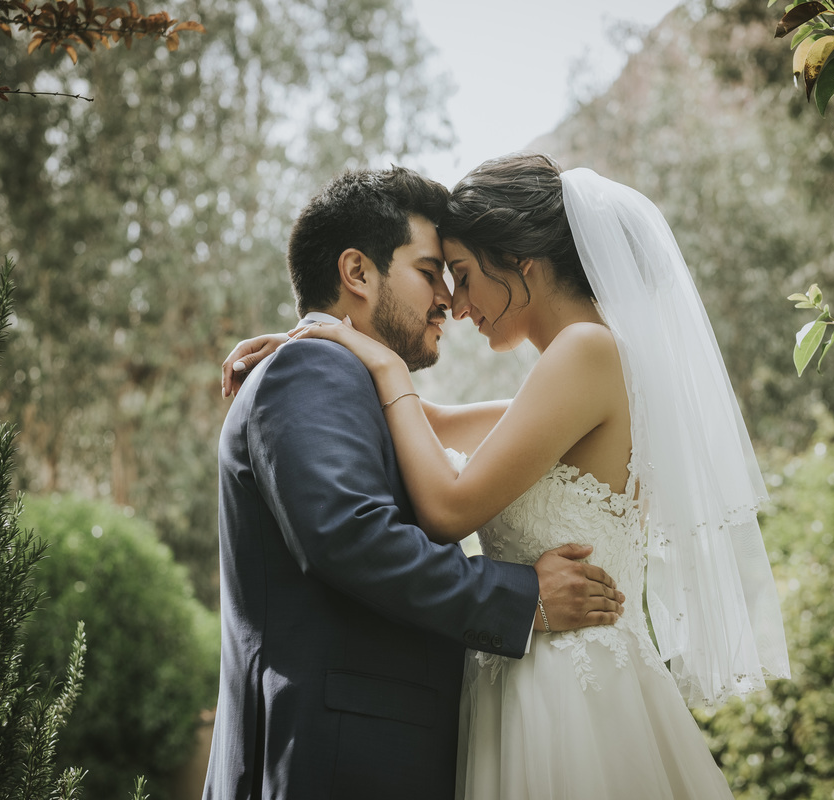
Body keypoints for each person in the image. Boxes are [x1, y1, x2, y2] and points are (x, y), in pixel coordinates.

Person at [204, 165, 626, 800]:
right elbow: (351, 536)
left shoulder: (334, 370)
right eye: (432, 273)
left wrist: (350, 350)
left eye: (458, 276)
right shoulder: (312, 370)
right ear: (357, 273)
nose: (450, 303)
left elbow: (442, 432)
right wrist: (522, 597)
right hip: (336, 760)